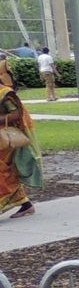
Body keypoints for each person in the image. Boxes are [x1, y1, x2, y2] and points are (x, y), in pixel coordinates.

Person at [0, 61, 40, 218]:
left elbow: (17, 113)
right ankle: (25, 204)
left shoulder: (5, 93)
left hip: (5, 138)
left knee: (3, 171)